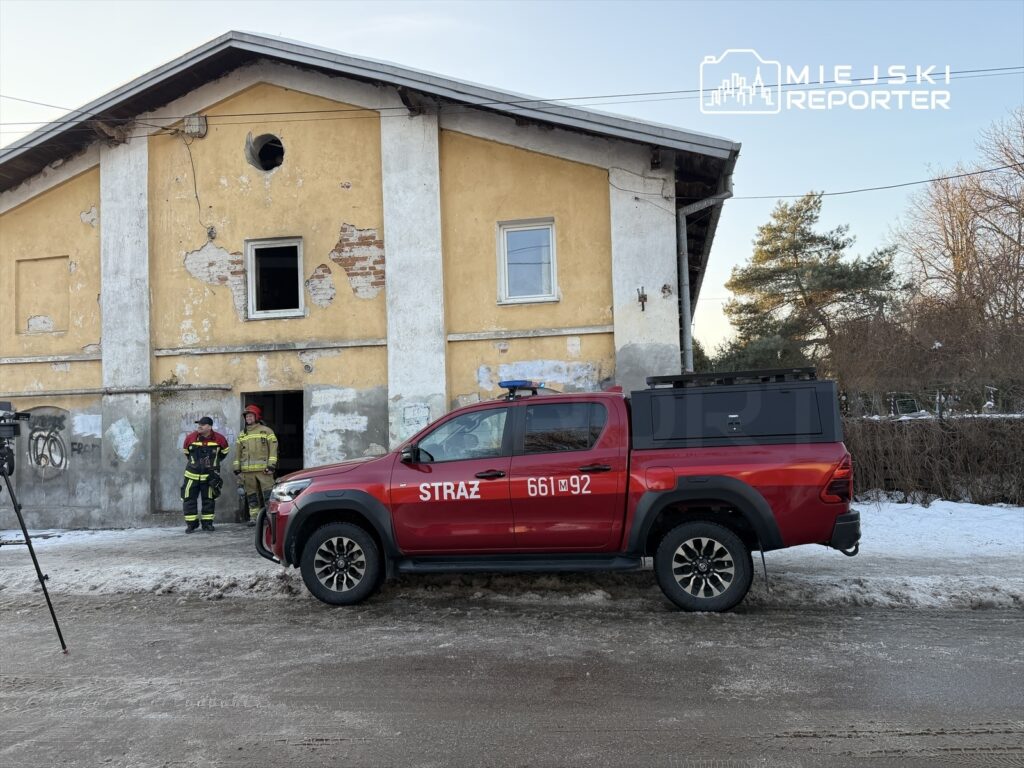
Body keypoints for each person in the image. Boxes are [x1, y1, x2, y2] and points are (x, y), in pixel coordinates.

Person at [181, 416, 229, 533]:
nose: (199, 426)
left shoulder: (220, 439)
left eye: (203, 424)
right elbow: (187, 453)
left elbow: (223, 454)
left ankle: (207, 524)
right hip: (191, 475)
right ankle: (191, 525)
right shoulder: (190, 438)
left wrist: (212, 465)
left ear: (210, 426)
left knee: (208, 500)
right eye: (199, 424)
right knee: (188, 499)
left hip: (209, 477)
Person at [233, 404, 278, 526]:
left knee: (268, 495)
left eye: (250, 415)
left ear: (256, 416)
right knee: (251, 496)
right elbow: (237, 453)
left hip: (264, 471)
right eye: (246, 416)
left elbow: (273, 450)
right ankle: (254, 518)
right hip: (247, 472)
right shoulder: (242, 434)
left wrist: (271, 466)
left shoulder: (267, 431)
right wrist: (237, 469)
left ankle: (270, 517)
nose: (248, 418)